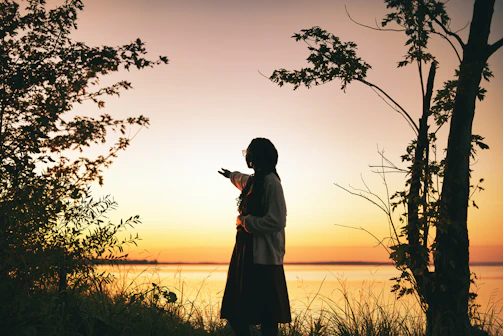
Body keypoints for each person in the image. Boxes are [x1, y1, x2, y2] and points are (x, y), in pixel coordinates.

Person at [218, 138, 291, 336]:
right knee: (236, 311)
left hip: (263, 258)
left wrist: (245, 221)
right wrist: (230, 175)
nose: (246, 156)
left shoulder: (271, 183)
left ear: (256, 157)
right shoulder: (255, 180)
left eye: (248, 153)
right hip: (245, 254)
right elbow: (241, 179)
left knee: (268, 317)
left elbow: (276, 221)